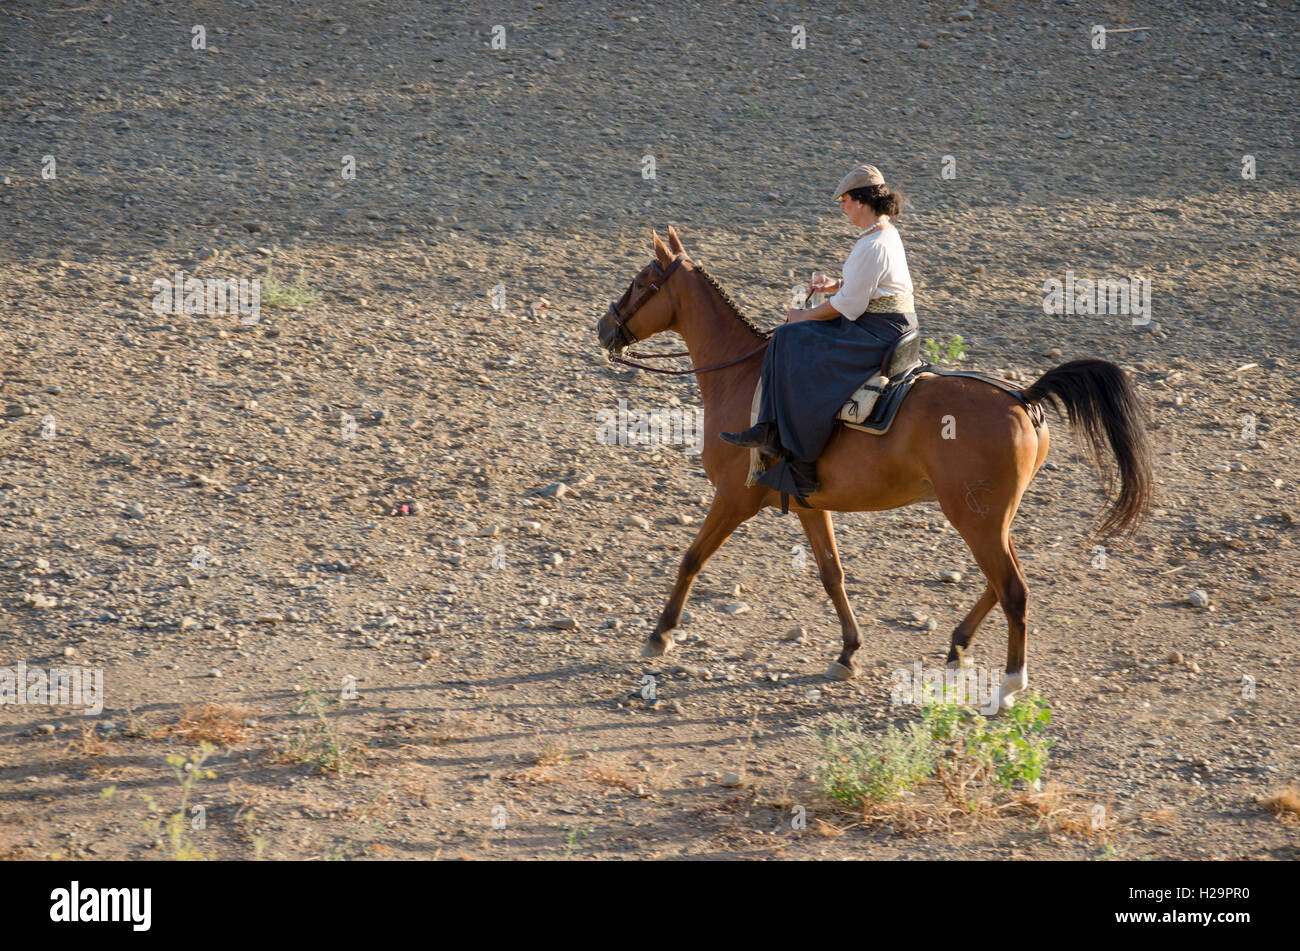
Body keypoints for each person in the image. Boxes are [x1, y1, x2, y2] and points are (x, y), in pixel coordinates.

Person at [720, 164, 917, 505]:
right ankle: (770, 428)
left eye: (844, 200)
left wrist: (802, 316)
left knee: (787, 338)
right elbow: (868, 286)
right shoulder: (882, 234)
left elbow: (847, 307)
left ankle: (798, 457)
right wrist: (835, 284)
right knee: (793, 336)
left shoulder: (873, 244)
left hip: (878, 329)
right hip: (886, 322)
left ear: (861, 200)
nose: (841, 207)